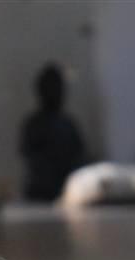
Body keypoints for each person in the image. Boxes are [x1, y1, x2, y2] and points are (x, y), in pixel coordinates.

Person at [19, 63, 86, 201]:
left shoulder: (69, 125)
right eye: (51, 88)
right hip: (39, 196)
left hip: (67, 194)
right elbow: (31, 157)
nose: (56, 93)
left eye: (58, 88)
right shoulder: (33, 125)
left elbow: (80, 158)